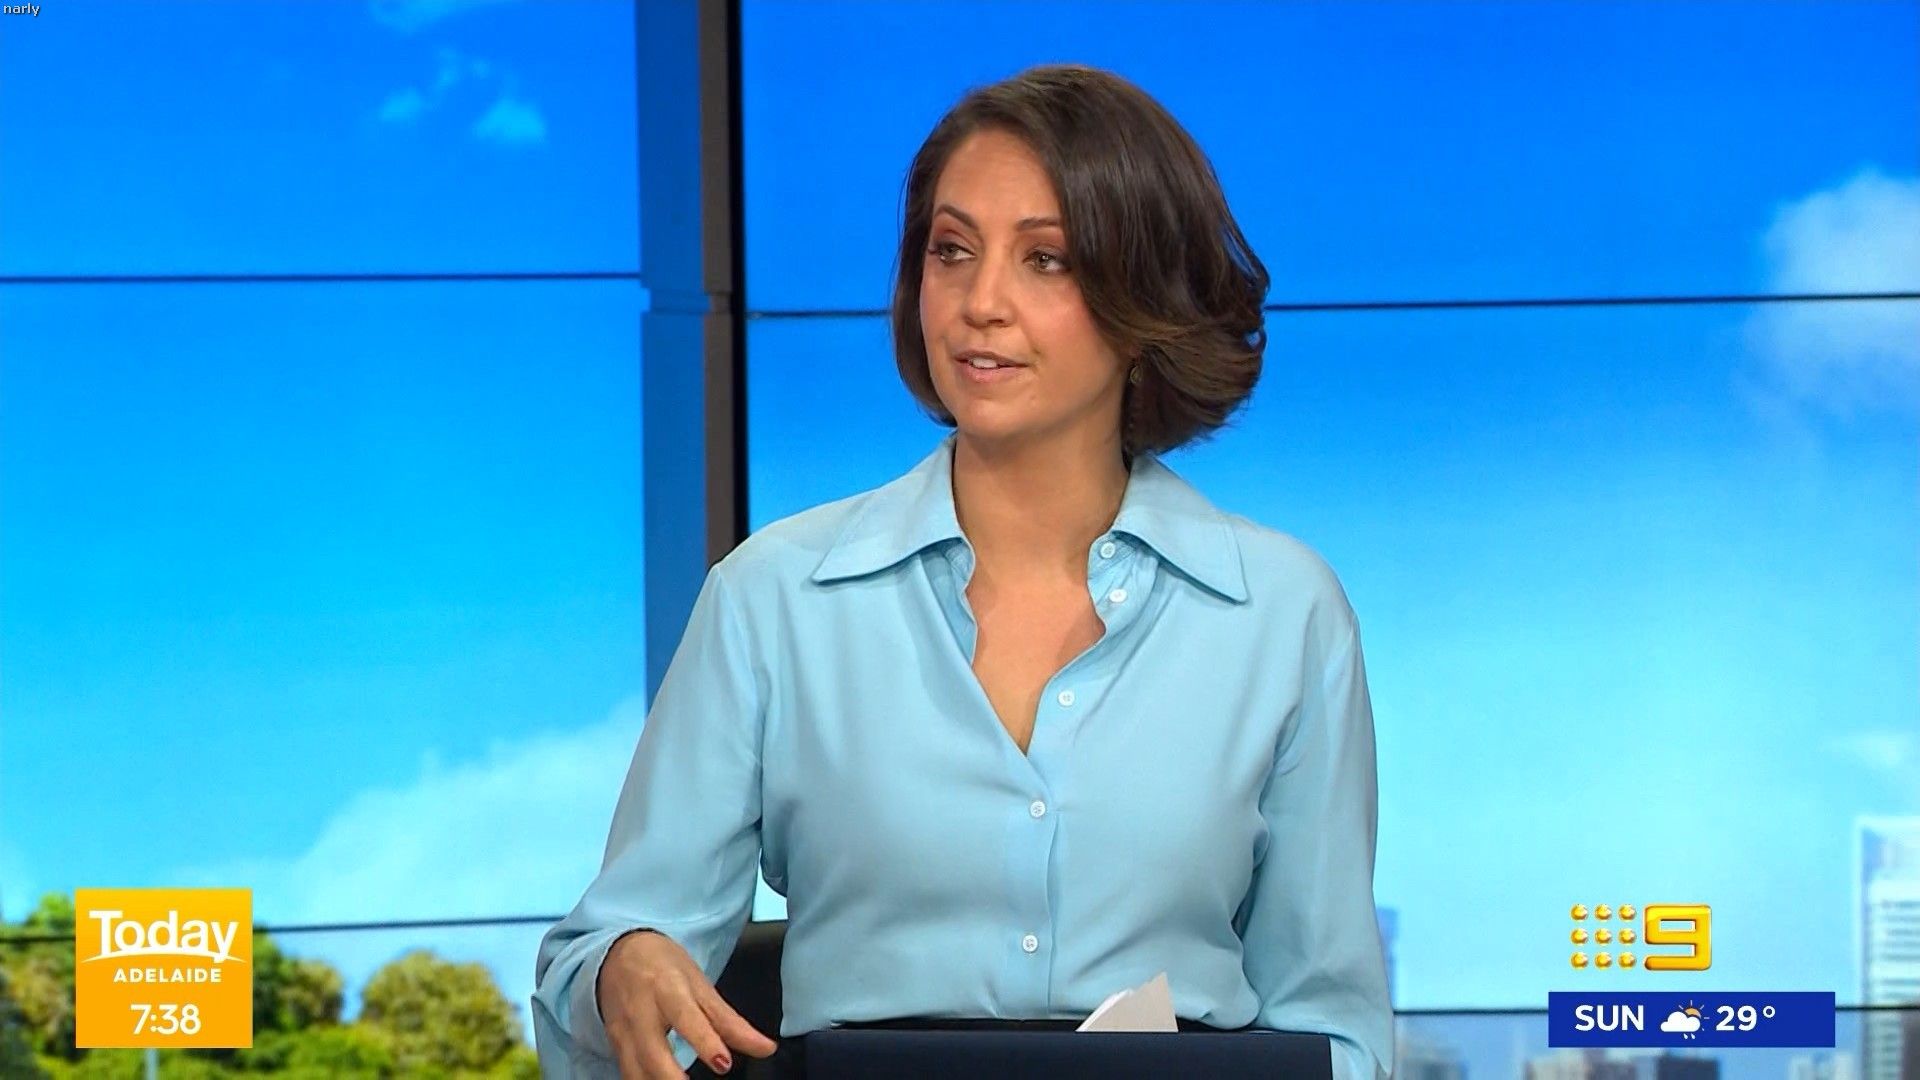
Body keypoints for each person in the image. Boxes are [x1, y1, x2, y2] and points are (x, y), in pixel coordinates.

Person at [533, 63, 1392, 1080]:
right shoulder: (772, 599)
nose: (980, 303)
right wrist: (623, 967)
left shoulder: (1283, 615)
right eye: (952, 251)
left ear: (1145, 298)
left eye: (1046, 260)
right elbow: (602, 953)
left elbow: (1333, 1033)